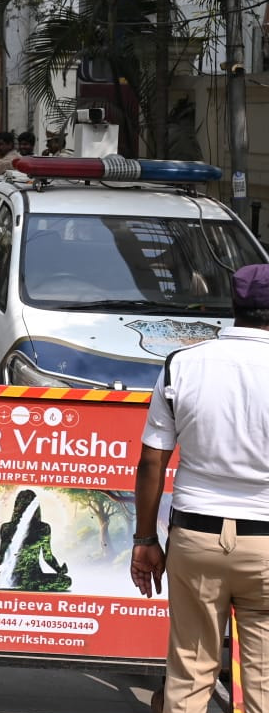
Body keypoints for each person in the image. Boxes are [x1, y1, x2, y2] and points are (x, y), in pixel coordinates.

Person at [132, 263, 269, 713]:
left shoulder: (183, 364)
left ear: (234, 305)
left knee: (190, 671)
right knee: (264, 681)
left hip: (195, 537)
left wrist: (145, 539)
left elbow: (153, 459)